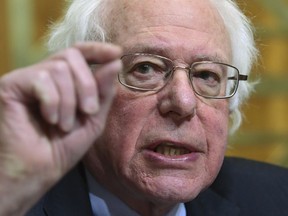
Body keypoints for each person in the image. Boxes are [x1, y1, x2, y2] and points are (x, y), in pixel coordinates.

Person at [0, 0, 287, 215]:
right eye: (146, 68)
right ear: (79, 87)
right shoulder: (13, 202)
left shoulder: (277, 199)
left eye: (205, 75)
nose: (183, 102)